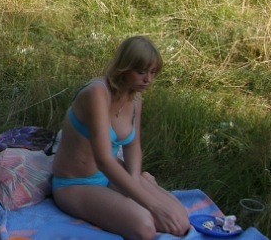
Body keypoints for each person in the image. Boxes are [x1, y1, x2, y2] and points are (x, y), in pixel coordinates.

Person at [51, 35, 190, 240]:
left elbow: (133, 145)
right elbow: (104, 160)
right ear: (124, 68)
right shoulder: (97, 94)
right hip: (76, 184)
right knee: (145, 227)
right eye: (141, 72)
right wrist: (151, 205)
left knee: (180, 221)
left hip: (111, 176)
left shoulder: (135, 97)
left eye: (153, 72)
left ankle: (143, 183)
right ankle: (143, 192)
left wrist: (134, 181)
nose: (148, 80)